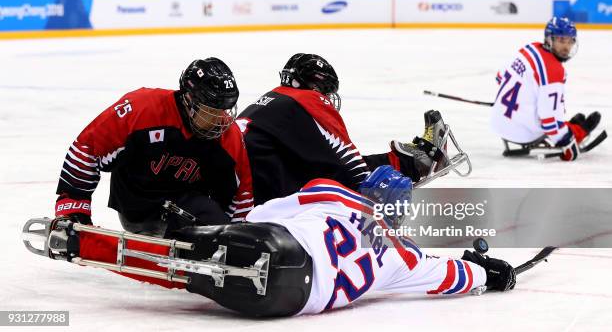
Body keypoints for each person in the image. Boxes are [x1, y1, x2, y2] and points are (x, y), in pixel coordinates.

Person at [40, 166, 516, 317]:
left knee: (182, 257)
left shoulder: (334, 193)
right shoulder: (405, 256)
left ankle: (87, 248)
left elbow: (264, 212)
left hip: (279, 241)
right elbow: (449, 277)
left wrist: (223, 229)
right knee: (191, 278)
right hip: (295, 299)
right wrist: (486, 273)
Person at [54, 58, 254, 237]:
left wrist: (237, 236)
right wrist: (74, 211)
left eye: (224, 110)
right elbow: (88, 147)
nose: (220, 120)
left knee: (215, 222)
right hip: (137, 204)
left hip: (186, 205)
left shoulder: (229, 134)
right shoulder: (143, 109)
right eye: (211, 111)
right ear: (189, 100)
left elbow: (241, 191)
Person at [237, 53, 462, 205]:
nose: (328, 98)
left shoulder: (270, 99)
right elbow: (353, 168)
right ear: (316, 87)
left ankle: (411, 158)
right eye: (326, 91)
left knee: (327, 167)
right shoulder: (308, 100)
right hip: (267, 199)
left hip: (247, 188)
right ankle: (419, 159)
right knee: (343, 177)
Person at [489, 17, 601, 161]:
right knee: (567, 129)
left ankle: (569, 127)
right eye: (561, 40)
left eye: (570, 41)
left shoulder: (529, 49)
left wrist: (514, 102)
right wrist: (567, 142)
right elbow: (549, 119)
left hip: (498, 120)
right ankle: (578, 131)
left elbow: (500, 78)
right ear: (549, 40)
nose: (566, 47)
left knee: (554, 120)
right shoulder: (554, 70)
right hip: (521, 133)